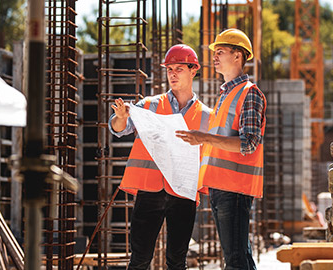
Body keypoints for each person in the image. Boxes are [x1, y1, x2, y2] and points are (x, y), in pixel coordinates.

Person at [109, 44, 211, 270]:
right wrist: (121, 117)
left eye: (179, 69)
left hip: (183, 193)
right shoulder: (149, 105)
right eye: (169, 69)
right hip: (150, 190)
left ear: (193, 70)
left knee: (177, 262)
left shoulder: (207, 116)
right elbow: (119, 128)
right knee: (139, 260)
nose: (172, 74)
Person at [176, 28, 266, 270]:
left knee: (235, 261)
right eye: (214, 52)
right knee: (240, 258)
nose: (214, 56)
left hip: (235, 188)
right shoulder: (227, 95)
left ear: (238, 56)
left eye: (221, 51)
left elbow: (248, 143)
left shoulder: (249, 94)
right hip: (220, 186)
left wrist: (203, 137)